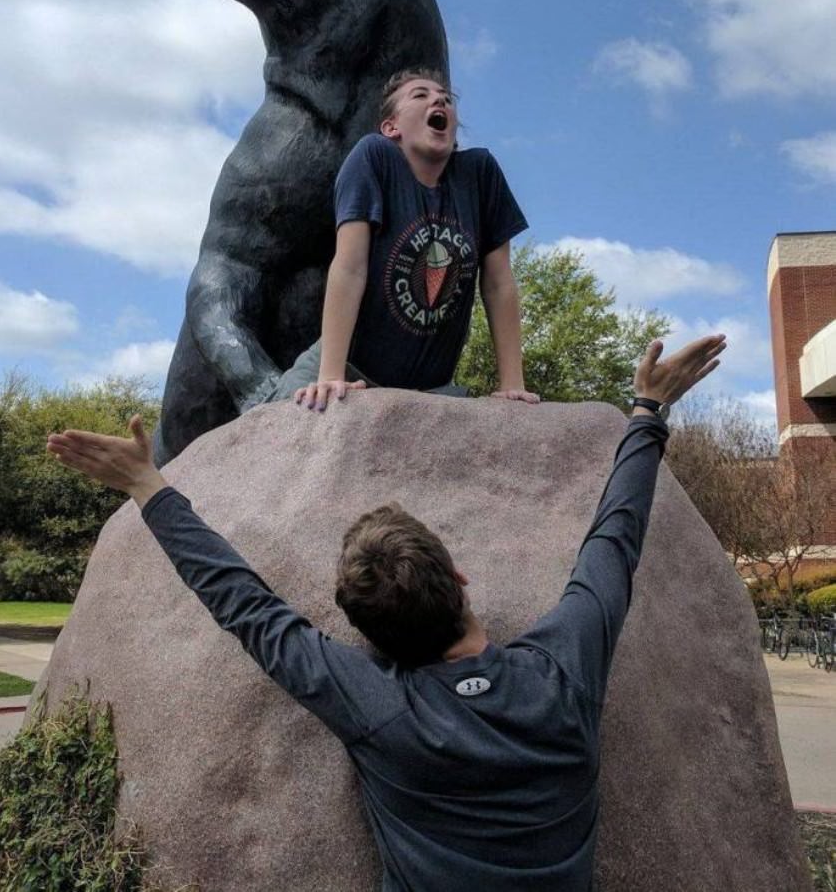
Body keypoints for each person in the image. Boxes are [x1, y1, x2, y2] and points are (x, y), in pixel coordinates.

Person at [47, 332, 725, 892]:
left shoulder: (379, 708)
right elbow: (614, 541)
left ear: (368, 637)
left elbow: (245, 606)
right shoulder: (562, 670)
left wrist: (147, 484)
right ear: (458, 578)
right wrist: (645, 409)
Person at [268, 69, 539, 410]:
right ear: (391, 127)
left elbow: (499, 284)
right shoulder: (374, 158)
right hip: (346, 367)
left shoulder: (479, 175)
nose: (438, 99)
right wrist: (330, 376)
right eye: (420, 95)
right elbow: (350, 267)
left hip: (428, 390)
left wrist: (512, 386)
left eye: (445, 97)